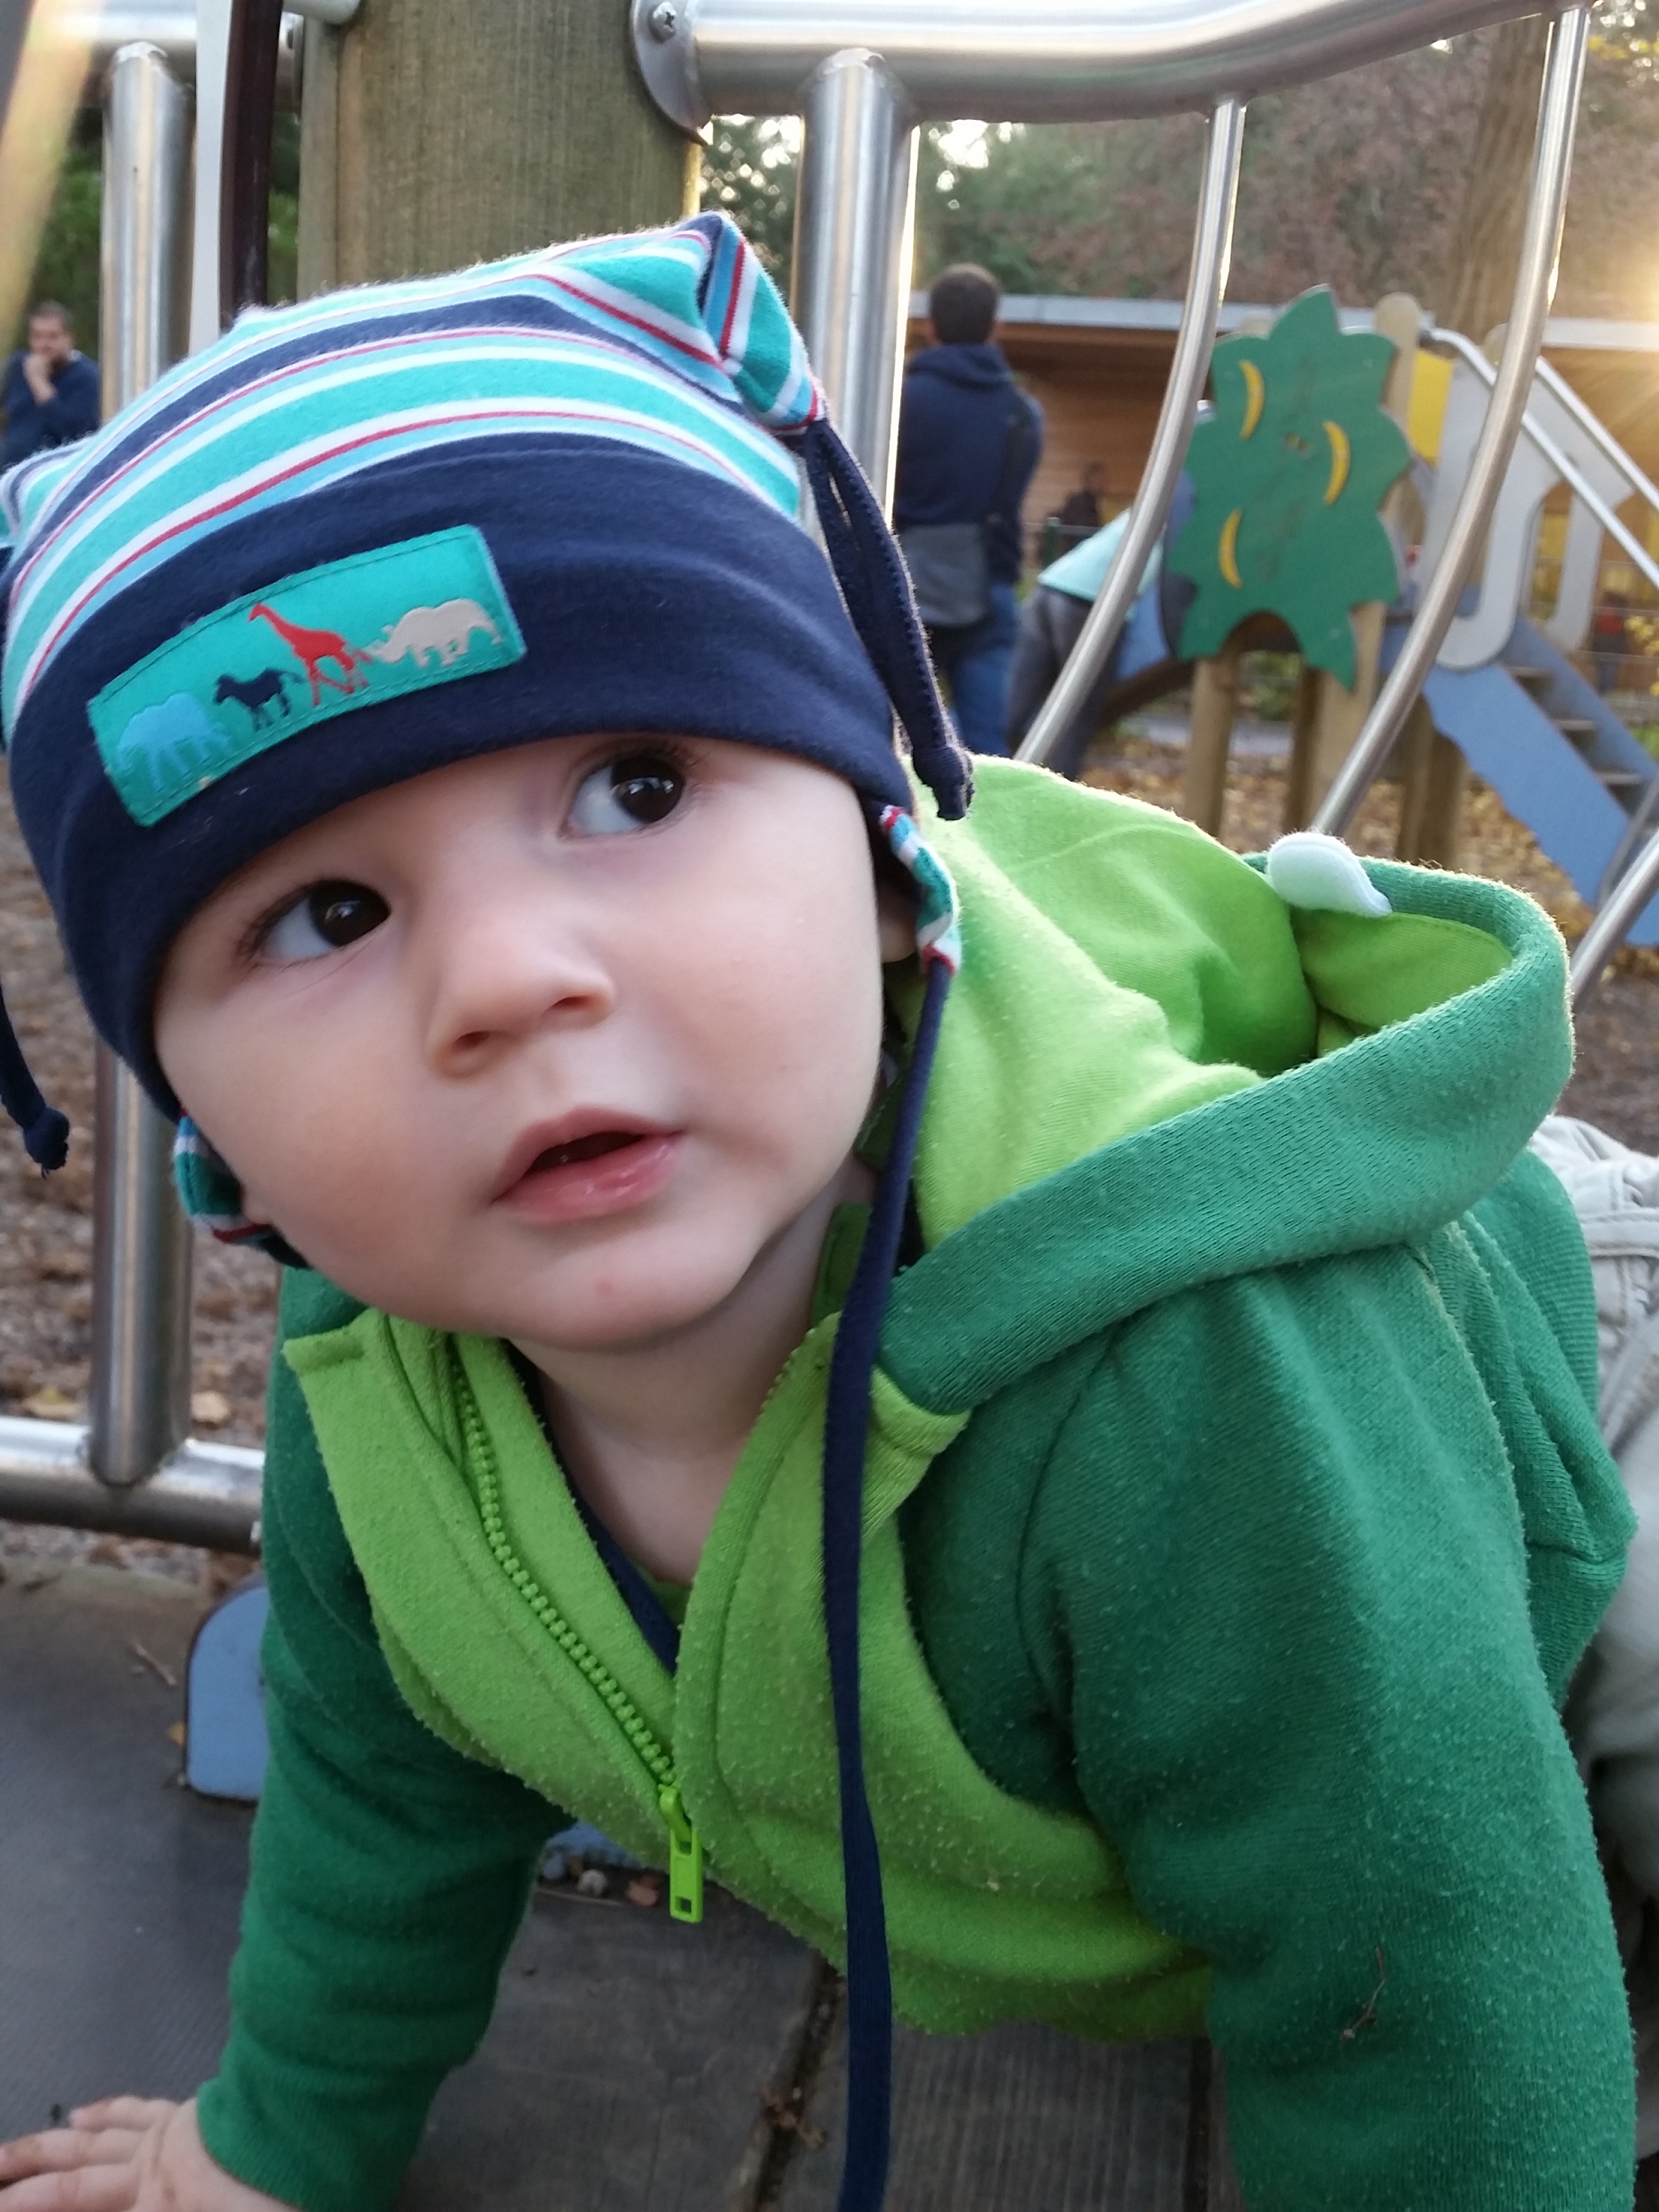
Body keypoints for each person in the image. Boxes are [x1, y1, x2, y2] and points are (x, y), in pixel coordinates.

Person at [0, 213, 1643, 2212]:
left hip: (1551, 1404)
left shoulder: (1181, 1385)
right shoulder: (382, 1400)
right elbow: (379, 1793)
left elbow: (1422, 1984)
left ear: (886, 867)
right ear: (213, 1147)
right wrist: (271, 2148)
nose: (508, 979)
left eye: (632, 788)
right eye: (328, 911)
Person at [894, 264, 1041, 756]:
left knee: (887, 739)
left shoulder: (898, 402)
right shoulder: (1022, 415)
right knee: (986, 753)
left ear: (930, 326)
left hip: (901, 589)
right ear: (995, 326)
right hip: (988, 588)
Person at [1, 301, 98, 468]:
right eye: (37, 336)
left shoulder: (87, 377)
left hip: (54, 472)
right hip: (11, 470)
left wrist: (39, 383)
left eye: (52, 337)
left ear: (70, 338)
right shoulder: (18, 365)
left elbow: (76, 434)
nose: (44, 345)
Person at [1055, 461, 1105, 534]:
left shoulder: (1098, 502)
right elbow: (1084, 529)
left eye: (1102, 481)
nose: (1100, 485)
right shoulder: (1079, 503)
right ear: (1087, 481)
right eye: (1096, 481)